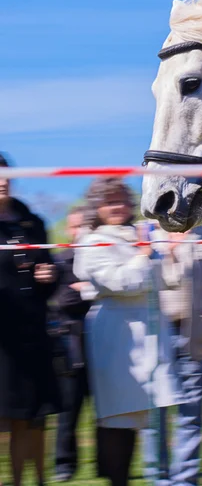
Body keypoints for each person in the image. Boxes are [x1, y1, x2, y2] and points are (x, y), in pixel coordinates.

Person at [73, 177, 180, 486]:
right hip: (118, 337)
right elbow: (121, 283)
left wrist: (167, 253)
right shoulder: (91, 241)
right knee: (119, 419)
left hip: (151, 331)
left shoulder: (142, 234)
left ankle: (163, 479)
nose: (117, 206)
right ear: (97, 207)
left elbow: (169, 281)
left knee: (155, 418)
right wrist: (145, 256)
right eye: (109, 201)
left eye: (121, 199)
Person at [142, 221, 202, 486]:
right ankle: (159, 478)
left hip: (193, 335)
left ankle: (185, 480)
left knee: (190, 414)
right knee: (155, 415)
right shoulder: (144, 231)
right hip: (154, 338)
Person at [0, 153, 61, 486]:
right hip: (2, 343)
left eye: (7, 174)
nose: (3, 180)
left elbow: (50, 274)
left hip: (33, 335)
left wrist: (48, 275)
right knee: (9, 419)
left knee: (36, 418)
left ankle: (37, 481)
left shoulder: (32, 222)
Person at [52, 206, 91, 482]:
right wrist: (94, 289)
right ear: (69, 229)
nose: (79, 232)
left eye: (84, 226)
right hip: (71, 344)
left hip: (102, 340)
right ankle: (64, 464)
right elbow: (64, 301)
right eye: (75, 226)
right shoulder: (61, 261)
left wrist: (86, 288)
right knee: (69, 410)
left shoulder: (100, 256)